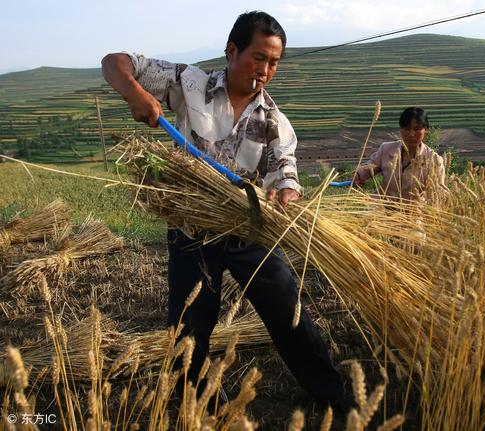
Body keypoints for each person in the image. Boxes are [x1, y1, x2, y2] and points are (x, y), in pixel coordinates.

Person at [101, 11, 352, 412]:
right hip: (191, 228)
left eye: (274, 63)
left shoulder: (274, 121)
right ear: (232, 51)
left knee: (289, 312)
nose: (266, 70)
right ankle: (200, 408)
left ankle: (335, 395)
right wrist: (136, 94)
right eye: (258, 58)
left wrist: (287, 190)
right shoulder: (190, 83)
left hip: (247, 230)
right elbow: (115, 62)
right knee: (191, 324)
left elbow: (284, 168)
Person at [354, 107, 447, 201]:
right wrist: (357, 175)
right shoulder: (386, 149)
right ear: (401, 129)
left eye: (416, 129)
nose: (411, 134)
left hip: (415, 212)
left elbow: (438, 192)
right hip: (382, 208)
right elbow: (368, 168)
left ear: (426, 130)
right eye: (407, 129)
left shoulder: (433, 160)